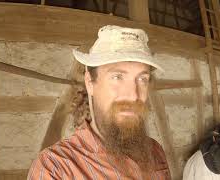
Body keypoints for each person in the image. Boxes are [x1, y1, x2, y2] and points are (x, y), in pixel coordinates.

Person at [27, 25, 171, 180]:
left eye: (142, 79)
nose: (133, 95)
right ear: (90, 82)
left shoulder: (155, 150)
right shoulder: (56, 169)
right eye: (117, 77)